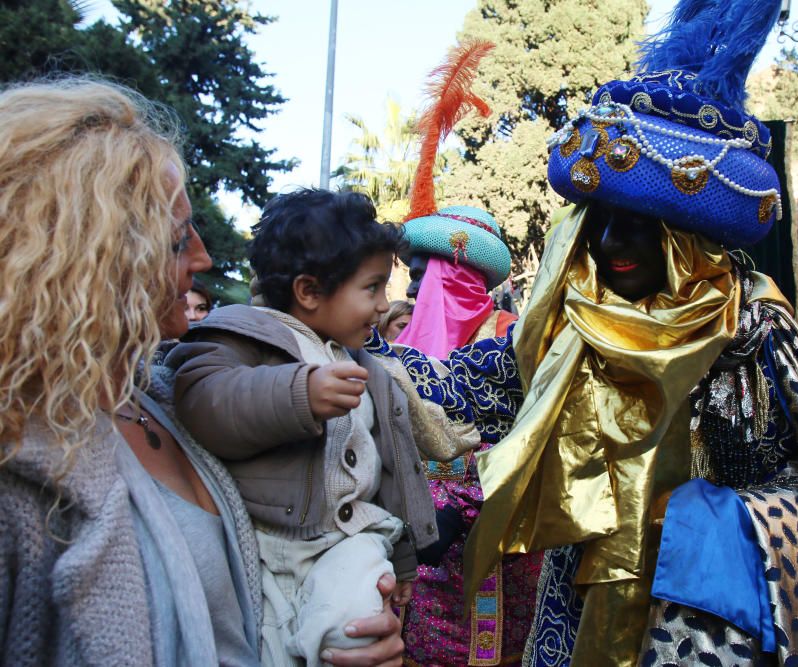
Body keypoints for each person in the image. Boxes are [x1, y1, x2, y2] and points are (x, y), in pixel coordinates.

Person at [369, 2, 798, 664]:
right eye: (604, 222)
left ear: (688, 240)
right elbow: (471, 385)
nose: (614, 243)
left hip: (708, 618)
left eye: (642, 226)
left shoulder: (754, 326)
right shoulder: (573, 323)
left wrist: (717, 521)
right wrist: (353, 343)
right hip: (583, 602)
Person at [0, 77, 408, 667]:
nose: (203, 257)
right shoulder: (20, 465)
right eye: (174, 242)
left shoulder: (165, 401)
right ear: (83, 264)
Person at [168, 188, 479, 667]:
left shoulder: (370, 368)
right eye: (372, 288)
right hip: (268, 550)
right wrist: (298, 393)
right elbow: (203, 399)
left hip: (350, 547)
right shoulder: (244, 333)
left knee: (350, 638)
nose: (383, 305)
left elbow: (396, 472)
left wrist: (404, 560)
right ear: (309, 291)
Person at [392, 40, 542, 666]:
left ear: (454, 277)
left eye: (423, 274)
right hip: (413, 560)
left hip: (498, 555)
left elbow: (533, 445)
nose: (410, 287)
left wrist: (463, 507)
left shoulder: (516, 344)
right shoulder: (393, 351)